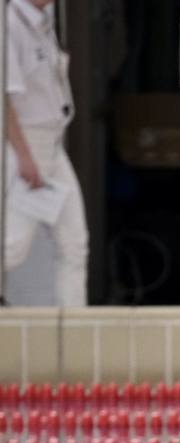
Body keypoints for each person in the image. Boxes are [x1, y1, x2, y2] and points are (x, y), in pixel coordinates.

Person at [3, 0, 88, 307]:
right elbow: (4, 102)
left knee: (74, 245)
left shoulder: (44, 22)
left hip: (53, 144)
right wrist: (24, 157)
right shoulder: (9, 22)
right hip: (26, 145)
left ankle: (74, 337)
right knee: (12, 248)